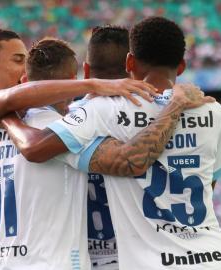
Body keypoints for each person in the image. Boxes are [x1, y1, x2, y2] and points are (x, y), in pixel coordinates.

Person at [2, 17, 221, 269]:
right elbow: (207, 183)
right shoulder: (213, 111)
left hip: (147, 260)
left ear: (130, 63)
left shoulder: (101, 110)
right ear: (181, 67)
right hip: (217, 257)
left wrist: (3, 111)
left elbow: (35, 147)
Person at [0, 28, 159, 269]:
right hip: (52, 262)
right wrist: (95, 85)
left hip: (0, 260)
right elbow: (15, 106)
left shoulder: (1, 123)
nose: (23, 69)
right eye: (18, 60)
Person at [82, 25, 131, 270]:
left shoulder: (63, 120)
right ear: (133, 65)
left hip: (81, 256)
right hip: (141, 254)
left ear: (86, 70)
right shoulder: (160, 115)